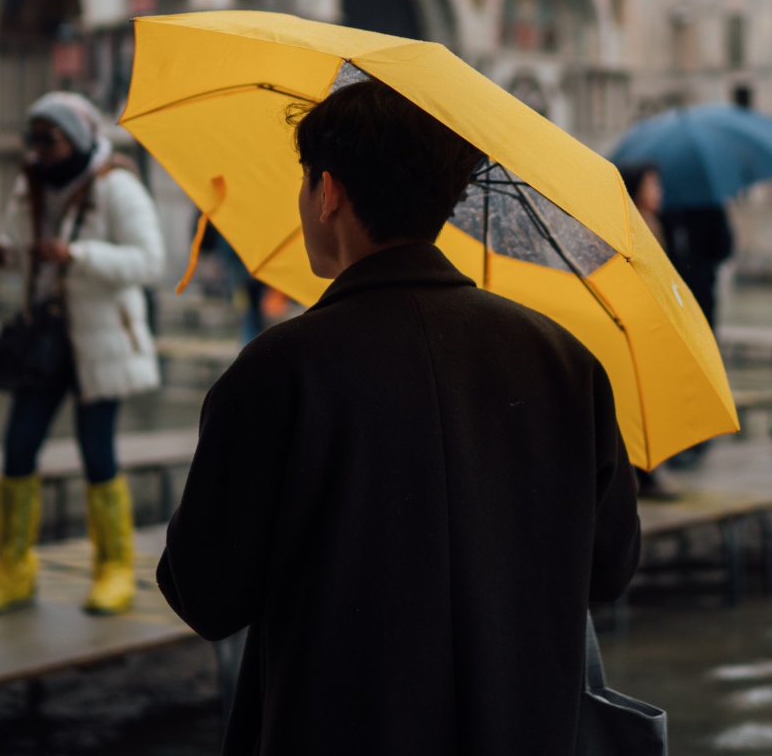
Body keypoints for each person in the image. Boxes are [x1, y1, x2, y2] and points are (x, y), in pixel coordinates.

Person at [157, 79, 640, 756]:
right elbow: (610, 569)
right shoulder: (567, 363)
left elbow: (205, 594)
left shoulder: (278, 371)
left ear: (328, 192)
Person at [0, 92, 165, 616]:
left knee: (97, 453)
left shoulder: (117, 186)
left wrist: (77, 254)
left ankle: (115, 569)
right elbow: (7, 242)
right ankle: (13, 569)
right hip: (45, 342)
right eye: (33, 138)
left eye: (48, 139)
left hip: (98, 341)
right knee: (17, 449)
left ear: (74, 139)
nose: (38, 149)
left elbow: (150, 261)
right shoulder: (29, 185)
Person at [619, 164, 675, 497]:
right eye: (653, 185)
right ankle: (643, 472)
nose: (659, 192)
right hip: (639, 324)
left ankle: (647, 470)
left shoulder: (652, 224)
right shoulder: (634, 226)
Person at [660, 203, 733, 331]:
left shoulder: (667, 204)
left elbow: (724, 247)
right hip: (698, 289)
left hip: (676, 290)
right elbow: (724, 247)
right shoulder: (708, 204)